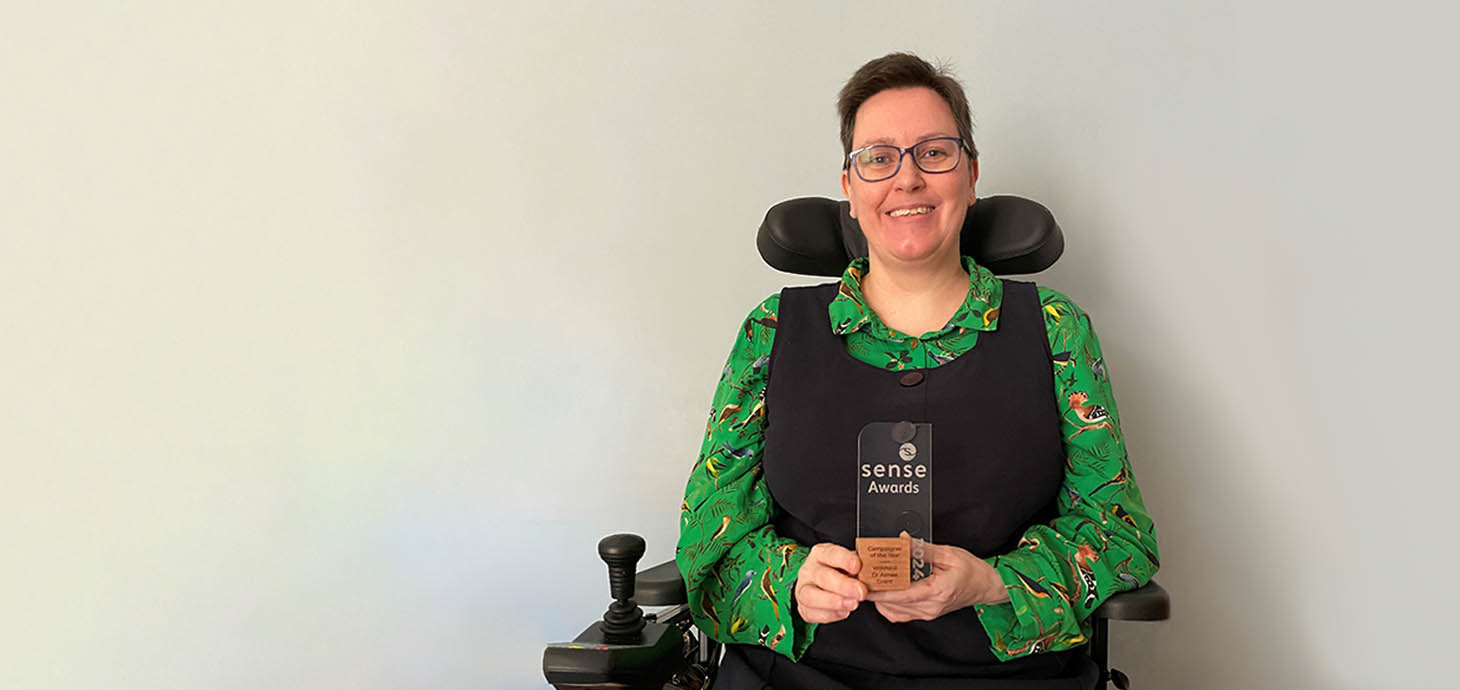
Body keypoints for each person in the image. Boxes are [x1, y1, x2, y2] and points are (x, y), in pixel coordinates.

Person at [675, 53, 1159, 689]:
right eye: (878, 157)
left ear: (972, 174)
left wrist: (993, 583)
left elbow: (1118, 536)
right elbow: (709, 546)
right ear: (849, 188)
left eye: (934, 152)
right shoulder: (772, 332)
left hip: (1007, 678)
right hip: (803, 675)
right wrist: (790, 580)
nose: (906, 179)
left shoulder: (1052, 328)